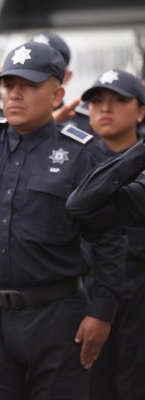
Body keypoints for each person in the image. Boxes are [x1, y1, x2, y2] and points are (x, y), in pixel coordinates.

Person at [0, 41, 125, 399]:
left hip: (57, 316)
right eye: (9, 84)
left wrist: (102, 312)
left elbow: (109, 235)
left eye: (29, 85)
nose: (15, 94)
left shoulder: (80, 152)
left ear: (57, 95)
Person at [65, 69, 145, 399]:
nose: (105, 108)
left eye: (119, 100)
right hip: (91, 290)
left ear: (141, 111)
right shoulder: (73, 159)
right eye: (97, 101)